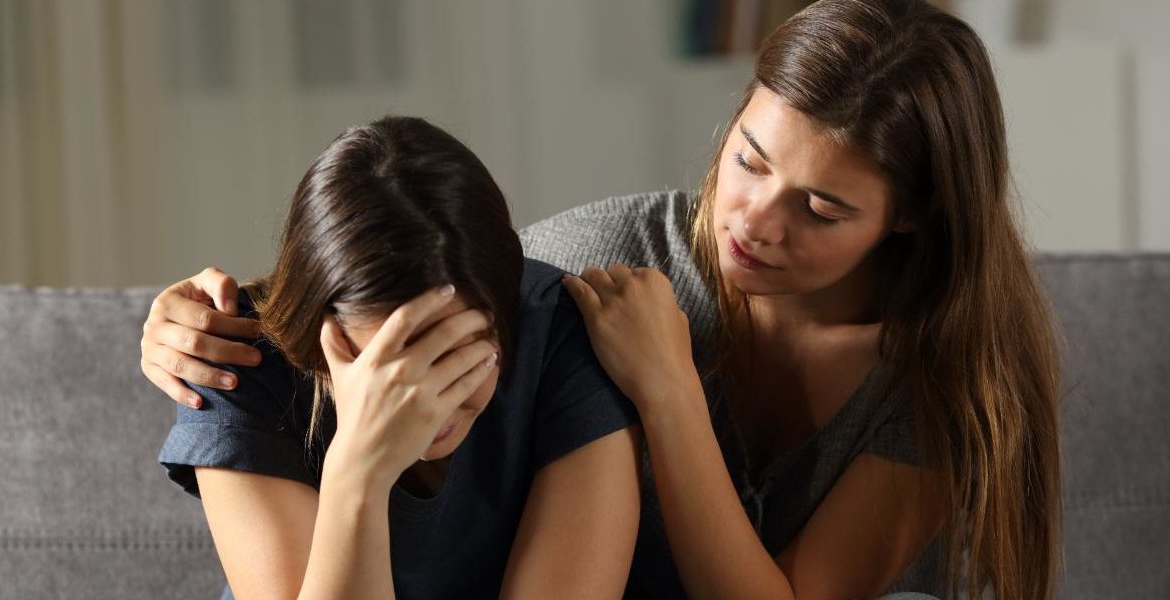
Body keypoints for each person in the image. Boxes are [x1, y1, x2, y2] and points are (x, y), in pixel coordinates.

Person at [140, 1, 1061, 599]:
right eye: (747, 158)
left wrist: (667, 390)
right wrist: (185, 321)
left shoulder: (955, 381)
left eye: (820, 208)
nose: (755, 221)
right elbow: (422, 266)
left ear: (913, 217)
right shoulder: (591, 266)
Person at [153, 117, 643, 599]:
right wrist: (358, 470)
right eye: (386, 370)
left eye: (455, 358)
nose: (426, 406)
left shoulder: (562, 333)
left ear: (504, 313)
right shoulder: (231, 354)